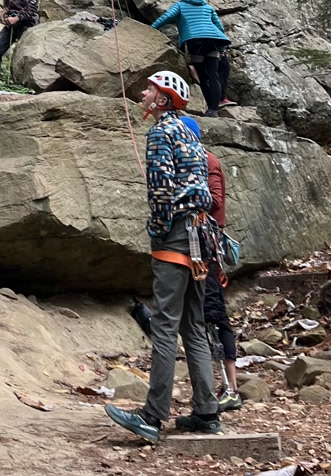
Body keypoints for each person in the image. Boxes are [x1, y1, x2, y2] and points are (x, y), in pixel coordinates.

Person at [105, 70, 220, 445]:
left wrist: (156, 230)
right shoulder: (188, 132)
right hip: (201, 235)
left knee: (166, 326)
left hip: (175, 235)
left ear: (164, 99)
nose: (143, 93)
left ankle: (152, 416)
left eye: (150, 89)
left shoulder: (159, 133)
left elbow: (161, 190)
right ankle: (206, 412)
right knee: (195, 326)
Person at [180, 116, 242, 412]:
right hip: (195, 245)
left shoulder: (207, 161)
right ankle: (218, 385)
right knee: (202, 313)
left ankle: (231, 387)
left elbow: (215, 201)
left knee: (214, 312)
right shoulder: (194, 162)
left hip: (207, 245)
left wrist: (187, 198)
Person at [151, 0, 230, 118]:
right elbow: (219, 27)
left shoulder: (180, 5)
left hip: (195, 42)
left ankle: (210, 108)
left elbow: (165, 18)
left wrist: (150, 29)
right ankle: (213, 110)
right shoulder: (207, 6)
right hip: (213, 41)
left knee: (203, 75)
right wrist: (222, 47)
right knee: (213, 74)